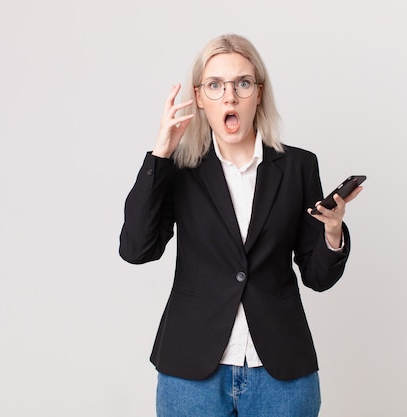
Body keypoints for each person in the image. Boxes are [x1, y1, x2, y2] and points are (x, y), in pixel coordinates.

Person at [119, 33, 362, 417]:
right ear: (199, 97)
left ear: (259, 93)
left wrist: (333, 231)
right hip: (192, 374)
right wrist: (161, 151)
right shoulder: (180, 168)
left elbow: (317, 276)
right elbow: (136, 248)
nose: (229, 96)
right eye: (215, 85)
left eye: (242, 83)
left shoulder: (298, 167)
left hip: (281, 374)